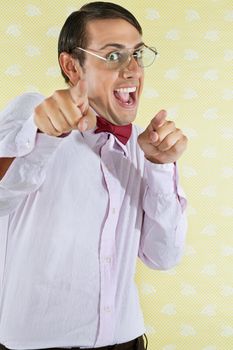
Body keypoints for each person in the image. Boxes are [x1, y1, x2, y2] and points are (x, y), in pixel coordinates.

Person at [0, 2, 188, 350]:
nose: (133, 70)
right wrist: (42, 134)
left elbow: (162, 257)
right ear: (71, 66)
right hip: (36, 344)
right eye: (113, 56)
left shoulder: (144, 146)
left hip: (125, 340)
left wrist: (160, 167)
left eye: (138, 54)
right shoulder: (31, 114)